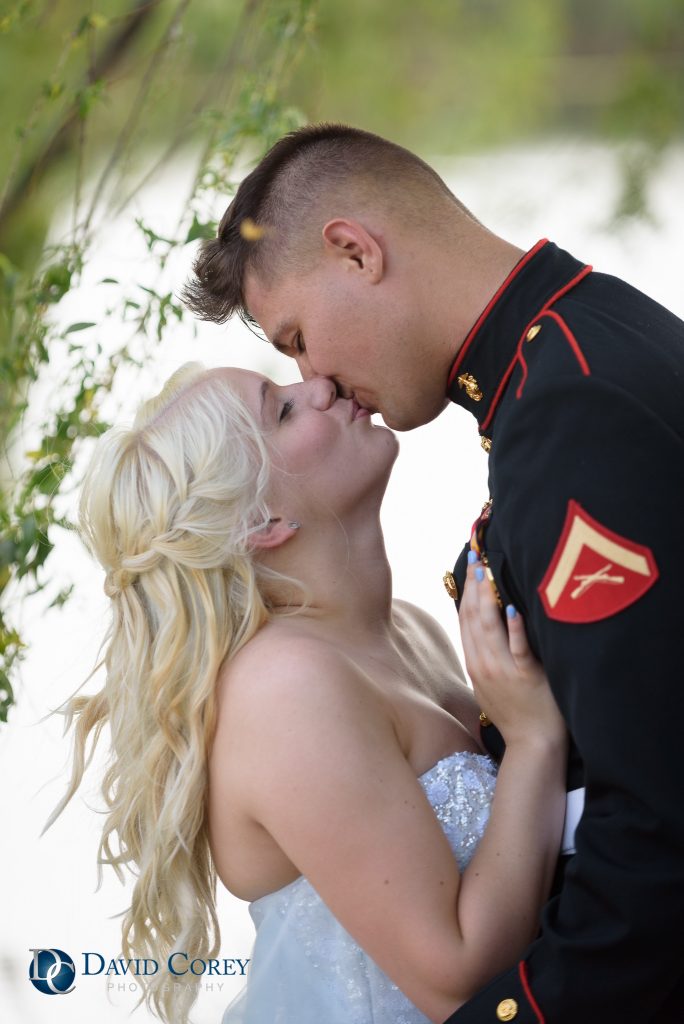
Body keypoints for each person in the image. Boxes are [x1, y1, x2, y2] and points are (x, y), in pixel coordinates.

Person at [183, 123, 684, 1023]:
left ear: (354, 251)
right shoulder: (575, 344)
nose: (318, 377)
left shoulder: (569, 408)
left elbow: (655, 820)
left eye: (299, 335)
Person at [45, 362, 567, 1024]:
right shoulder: (284, 690)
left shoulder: (411, 628)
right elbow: (457, 977)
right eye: (284, 411)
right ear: (263, 521)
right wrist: (534, 742)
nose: (322, 384)